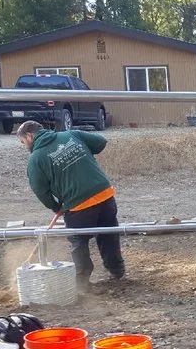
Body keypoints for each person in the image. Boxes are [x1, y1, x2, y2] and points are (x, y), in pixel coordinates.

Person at [17, 120, 125, 289]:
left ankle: (82, 282)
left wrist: (55, 206)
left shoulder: (36, 159)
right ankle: (117, 271)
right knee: (108, 233)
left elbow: (40, 191)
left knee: (78, 240)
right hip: (105, 195)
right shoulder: (71, 134)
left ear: (29, 136)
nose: (25, 146)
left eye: (23, 142)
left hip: (78, 205)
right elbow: (100, 142)